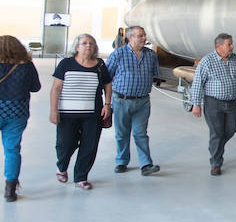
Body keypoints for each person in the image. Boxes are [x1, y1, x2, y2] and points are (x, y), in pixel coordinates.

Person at [49, 34, 111, 190]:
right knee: (65, 144)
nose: (88, 46)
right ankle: (62, 166)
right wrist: (53, 110)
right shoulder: (66, 64)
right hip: (67, 114)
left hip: (93, 114)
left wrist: (107, 104)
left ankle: (81, 177)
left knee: (89, 146)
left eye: (91, 43)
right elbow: (56, 88)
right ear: (77, 47)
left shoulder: (100, 65)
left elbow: (107, 84)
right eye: (84, 43)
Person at [188, 33, 236, 176]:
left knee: (231, 129)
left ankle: (215, 147)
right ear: (219, 46)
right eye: (229, 44)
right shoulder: (207, 61)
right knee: (216, 133)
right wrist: (195, 104)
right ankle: (216, 163)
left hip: (231, 103)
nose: (232, 47)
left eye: (232, 43)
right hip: (213, 103)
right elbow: (197, 84)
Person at [106, 26, 161, 176]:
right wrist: (107, 103)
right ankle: (122, 161)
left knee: (140, 133)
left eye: (144, 35)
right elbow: (106, 77)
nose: (144, 38)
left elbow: (155, 74)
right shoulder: (118, 54)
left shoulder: (151, 55)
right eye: (140, 36)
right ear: (130, 38)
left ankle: (146, 164)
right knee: (122, 133)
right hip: (121, 101)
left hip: (142, 102)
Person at [0, 36, 41, 202]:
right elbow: (36, 87)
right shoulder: (26, 67)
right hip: (17, 113)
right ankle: (10, 190)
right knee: (12, 150)